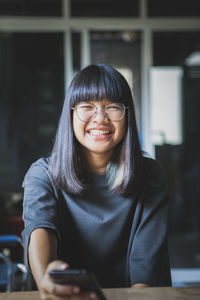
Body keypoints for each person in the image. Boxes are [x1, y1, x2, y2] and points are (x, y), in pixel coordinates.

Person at [22, 64, 171, 299]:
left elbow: (147, 270)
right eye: (87, 107)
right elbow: (40, 229)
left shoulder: (150, 175)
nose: (99, 119)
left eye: (112, 107)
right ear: (70, 114)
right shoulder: (43, 174)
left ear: (127, 114)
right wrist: (46, 280)